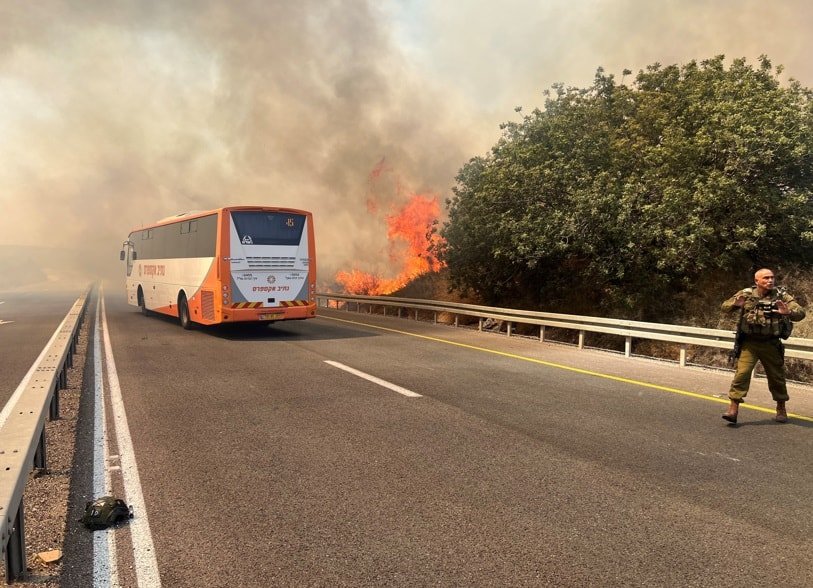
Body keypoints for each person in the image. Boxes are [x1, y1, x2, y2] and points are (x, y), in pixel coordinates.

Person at [721, 268, 806, 424]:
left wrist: (788, 312)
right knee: (742, 375)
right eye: (766, 278)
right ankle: (733, 409)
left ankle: (781, 408)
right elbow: (724, 307)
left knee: (777, 378)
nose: (770, 280)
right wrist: (735, 304)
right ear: (757, 281)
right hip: (750, 343)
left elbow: (800, 312)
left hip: (771, 344)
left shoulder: (781, 295)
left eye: (772, 277)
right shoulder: (746, 294)